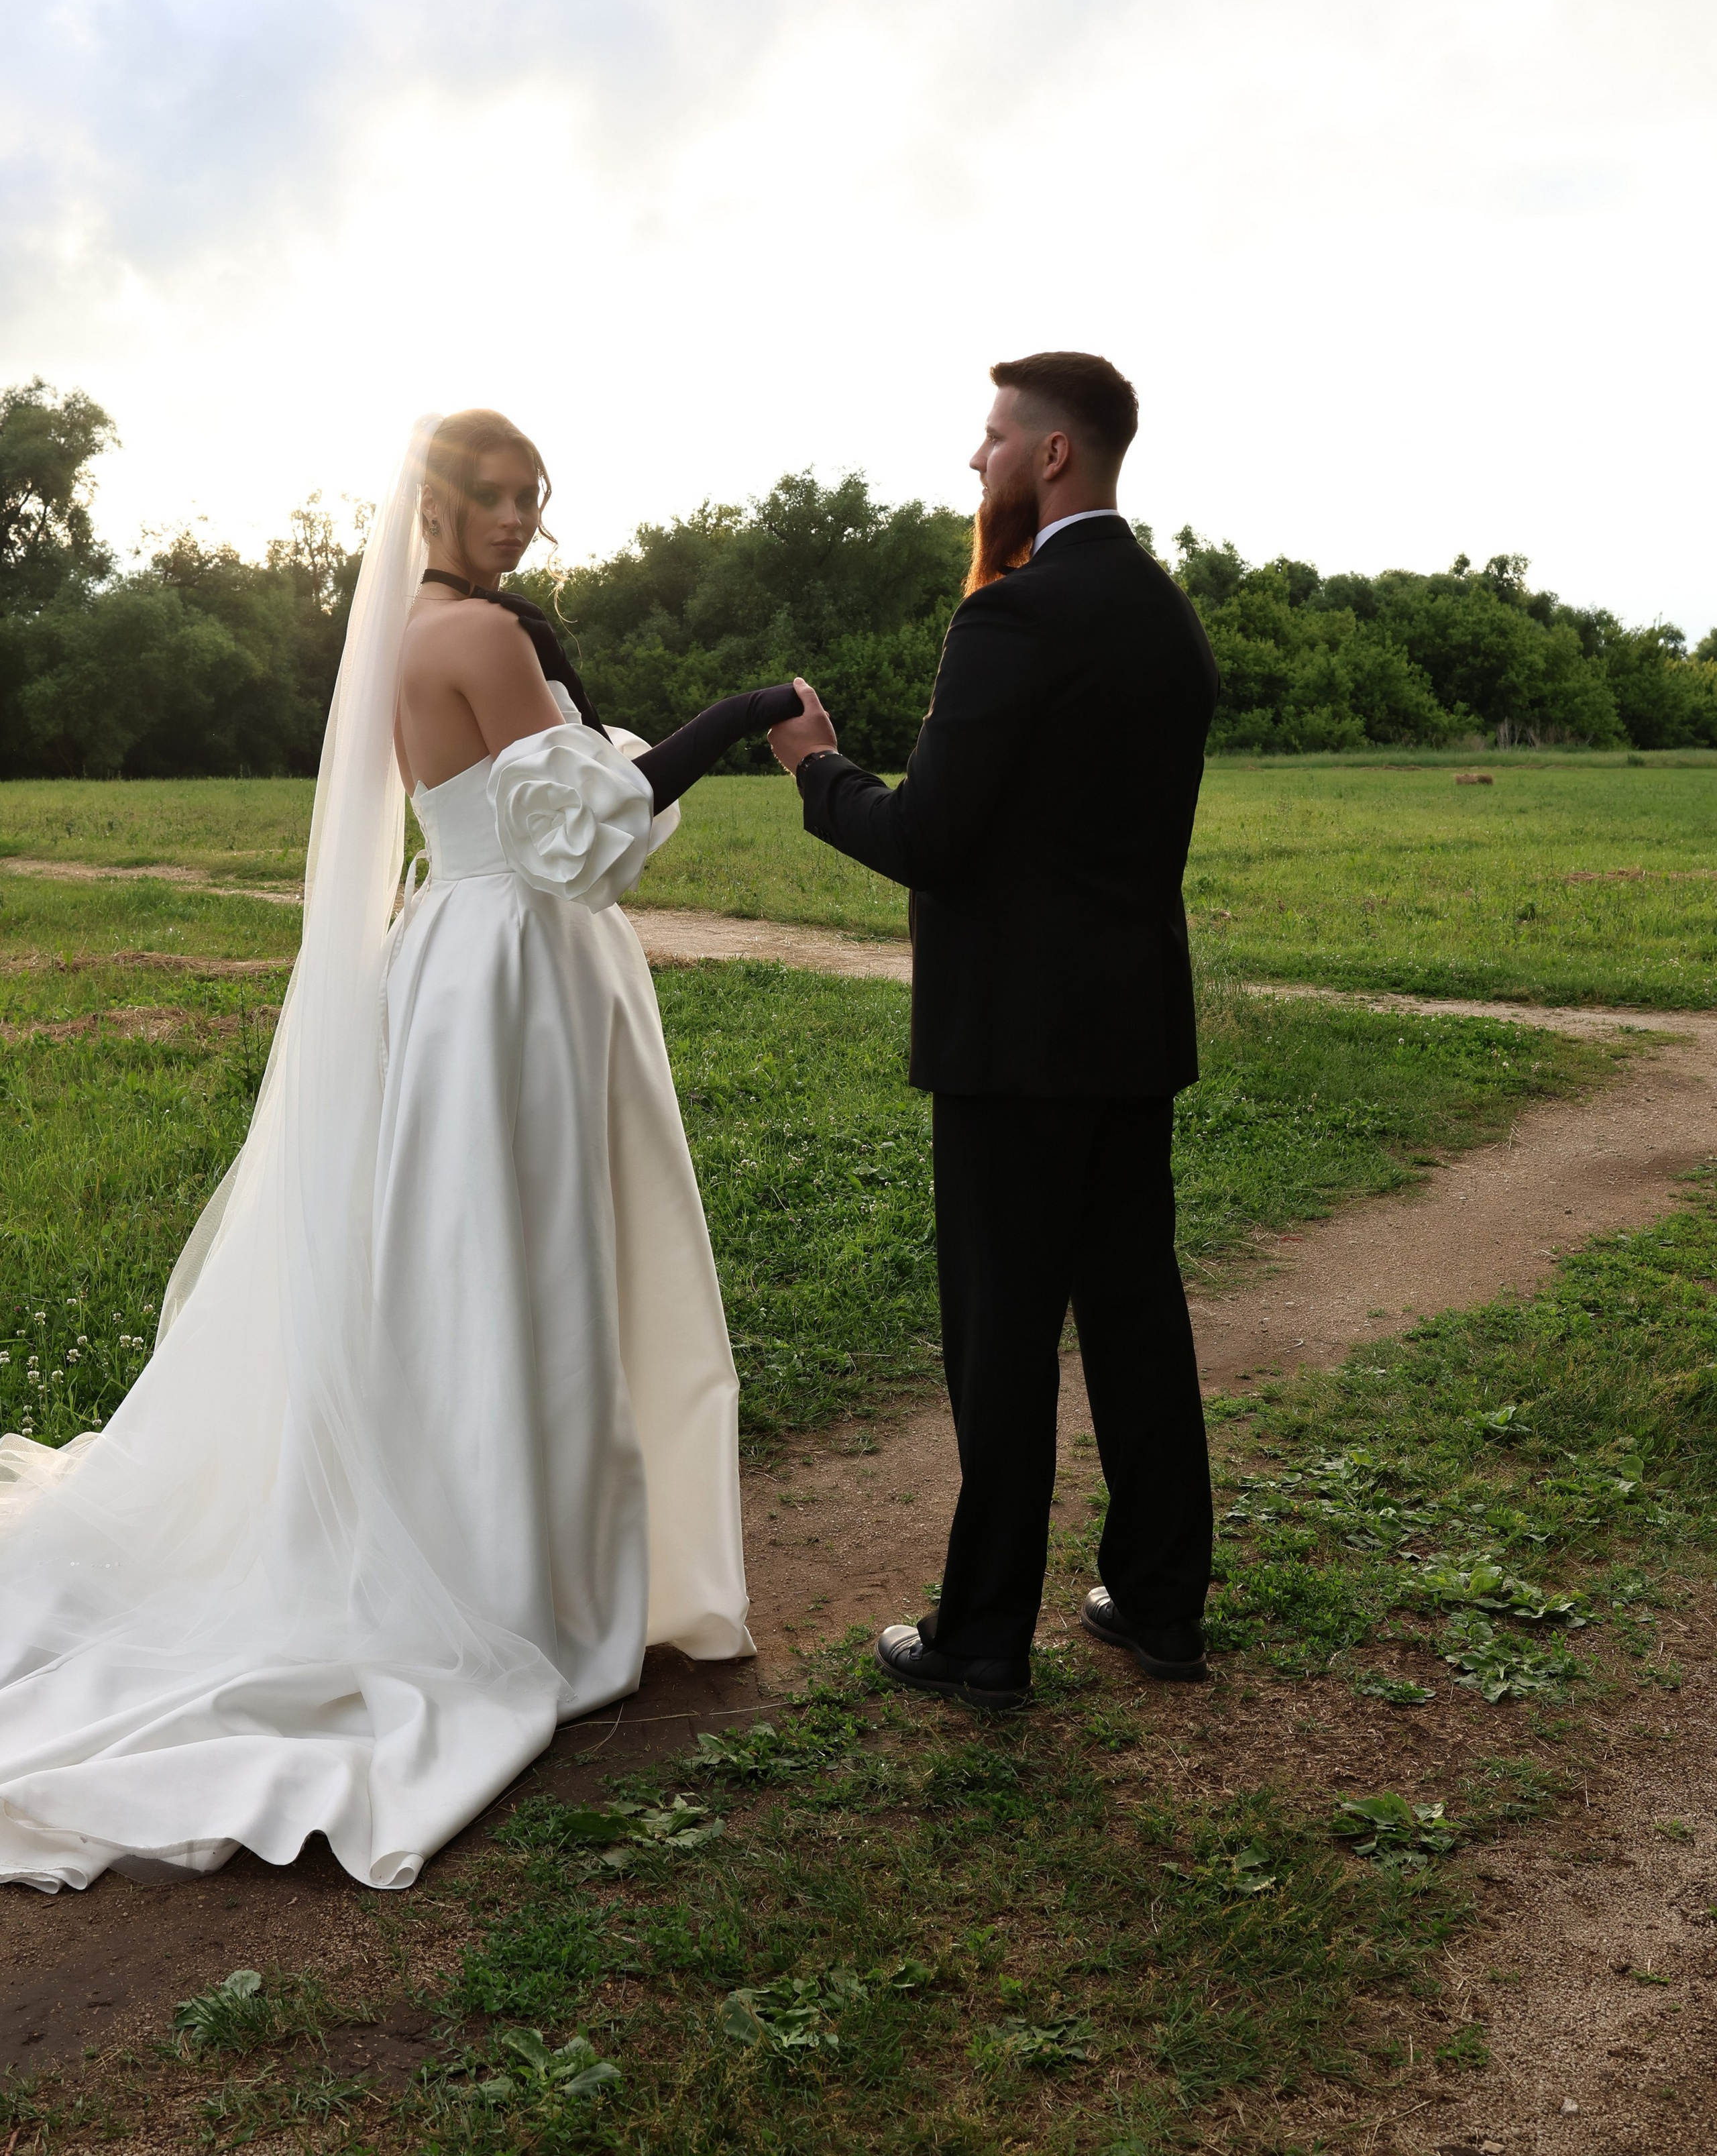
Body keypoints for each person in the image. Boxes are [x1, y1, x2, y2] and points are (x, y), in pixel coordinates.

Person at [0, 409, 796, 1894]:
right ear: (432, 503)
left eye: (532, 500)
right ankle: (521, 1576)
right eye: (493, 498)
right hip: (518, 967)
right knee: (525, 1261)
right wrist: (744, 712)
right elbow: (598, 836)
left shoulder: (410, 632)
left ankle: (513, 1533)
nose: (517, 521)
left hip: (463, 949)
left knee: (474, 1257)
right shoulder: (481, 638)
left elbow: (541, 809)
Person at [769, 353, 1218, 1711]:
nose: (975, 461)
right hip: (1128, 1031)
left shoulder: (1013, 618)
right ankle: (1159, 1604)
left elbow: (925, 835)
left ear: (1053, 457)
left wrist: (815, 770)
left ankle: (979, 1642)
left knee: (1002, 1339)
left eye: (991, 437)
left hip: (1011, 1050)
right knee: (1136, 1316)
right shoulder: (1163, 617)